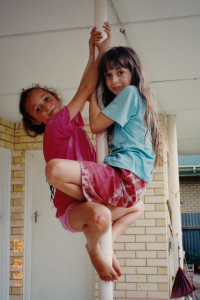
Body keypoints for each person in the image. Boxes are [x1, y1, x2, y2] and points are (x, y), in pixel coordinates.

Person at [42, 46, 160, 281]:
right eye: (107, 75)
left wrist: (96, 57)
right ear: (35, 121)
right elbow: (86, 89)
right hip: (131, 182)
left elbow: (90, 105)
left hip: (125, 176)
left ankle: (104, 243)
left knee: (55, 170)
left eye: (119, 73)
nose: (113, 80)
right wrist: (95, 56)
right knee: (137, 207)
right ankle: (106, 245)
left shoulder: (128, 95)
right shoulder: (57, 126)